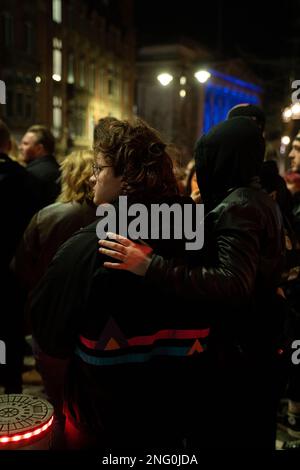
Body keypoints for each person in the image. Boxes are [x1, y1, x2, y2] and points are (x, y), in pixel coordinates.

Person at [99, 117, 287, 448]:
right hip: (259, 343)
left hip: (238, 352)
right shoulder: (257, 198)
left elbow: (232, 282)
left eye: (208, 156)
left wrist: (150, 265)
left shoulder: (239, 205)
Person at [29, 117, 203, 449]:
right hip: (181, 422)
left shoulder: (91, 246)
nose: (92, 176)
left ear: (127, 176)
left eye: (99, 168)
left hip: (104, 425)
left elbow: (48, 336)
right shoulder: (200, 234)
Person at [13, 150, 97, 292]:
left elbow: (21, 266)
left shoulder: (47, 215)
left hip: (45, 295)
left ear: (68, 175)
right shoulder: (110, 215)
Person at [0, 119, 41, 393]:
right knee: (11, 334)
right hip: (11, 273)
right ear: (9, 143)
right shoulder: (25, 178)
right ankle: (13, 398)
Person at [19, 125, 60, 205]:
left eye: (25, 144)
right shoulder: (60, 170)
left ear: (39, 148)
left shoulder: (29, 174)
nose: (20, 147)